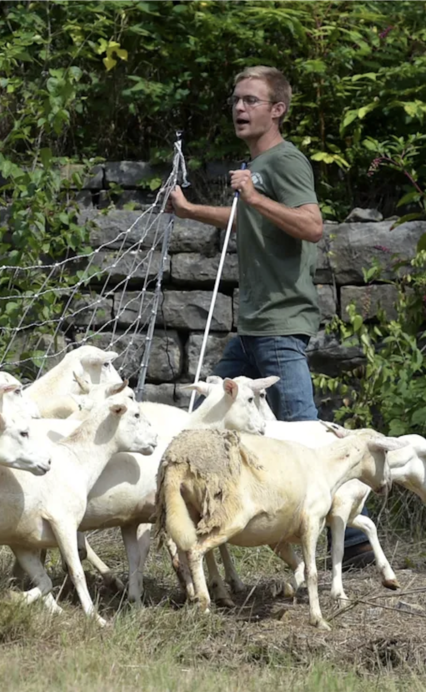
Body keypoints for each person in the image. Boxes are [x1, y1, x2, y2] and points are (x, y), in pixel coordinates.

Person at [168, 65, 374, 567]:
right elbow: (248, 218)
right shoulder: (257, 164)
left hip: (281, 324)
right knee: (214, 418)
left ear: (277, 109)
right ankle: (217, 518)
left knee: (303, 435)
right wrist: (191, 210)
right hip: (255, 324)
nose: (240, 108)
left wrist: (256, 194)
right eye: (236, 99)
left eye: (252, 101)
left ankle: (352, 544)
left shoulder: (286, 161)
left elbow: (313, 225)